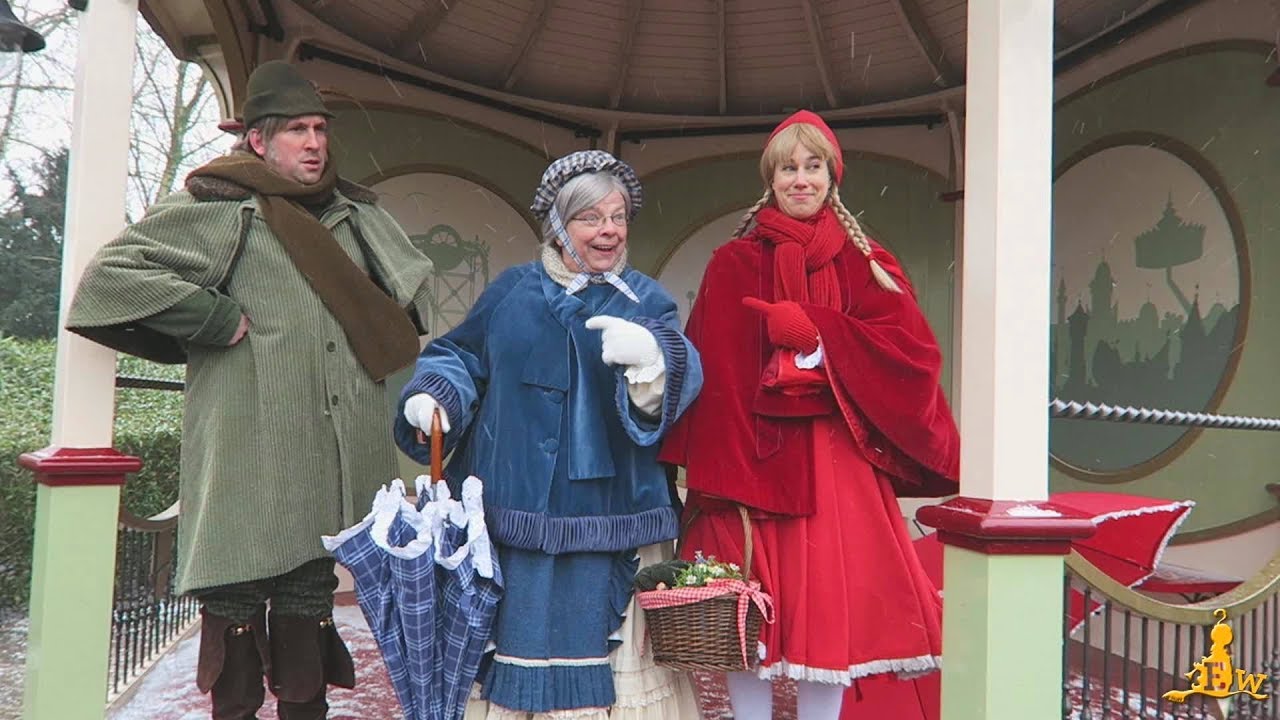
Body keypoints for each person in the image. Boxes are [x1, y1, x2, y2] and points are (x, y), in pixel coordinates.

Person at [65, 61, 436, 720]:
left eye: (320, 128)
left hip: (325, 462)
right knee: (233, 615)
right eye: (296, 129)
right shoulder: (219, 208)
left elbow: (410, 302)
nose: (315, 142)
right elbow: (110, 280)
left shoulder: (352, 218)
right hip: (249, 457)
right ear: (257, 141)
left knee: (307, 615)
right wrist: (208, 316)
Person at [657, 110, 961, 720]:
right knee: (752, 616)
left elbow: (915, 358)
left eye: (813, 166)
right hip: (753, 467)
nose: (801, 179)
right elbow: (710, 376)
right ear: (770, 180)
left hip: (837, 470)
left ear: (832, 176)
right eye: (788, 168)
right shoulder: (732, 264)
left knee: (829, 621)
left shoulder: (868, 261)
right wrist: (721, 477)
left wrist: (819, 335)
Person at [393, 150, 705, 719]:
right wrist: (433, 395)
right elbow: (460, 356)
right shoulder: (512, 292)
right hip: (511, 511)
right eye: (591, 218)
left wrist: (653, 363)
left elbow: (684, 378)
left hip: (612, 516)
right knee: (514, 653)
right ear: (559, 226)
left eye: (618, 217)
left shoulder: (647, 298)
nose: (609, 230)